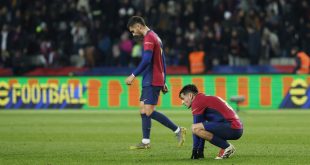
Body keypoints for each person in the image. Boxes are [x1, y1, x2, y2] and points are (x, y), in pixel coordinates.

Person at [125, 16, 186, 149]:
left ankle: (178, 130)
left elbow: (146, 60)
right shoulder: (155, 37)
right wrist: (164, 80)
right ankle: (145, 142)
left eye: (133, 31)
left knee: (148, 111)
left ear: (138, 26)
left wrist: (133, 75)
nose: (133, 34)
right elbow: (162, 59)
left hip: (152, 78)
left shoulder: (149, 38)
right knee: (143, 109)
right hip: (152, 77)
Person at [179, 84, 243, 159]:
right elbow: (201, 129)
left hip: (232, 127)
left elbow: (196, 128)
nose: (182, 102)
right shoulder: (202, 98)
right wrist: (200, 151)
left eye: (183, 98)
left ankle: (227, 147)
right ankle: (225, 147)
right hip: (234, 127)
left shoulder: (197, 101)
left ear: (190, 95)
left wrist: (195, 150)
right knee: (198, 128)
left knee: (195, 128)